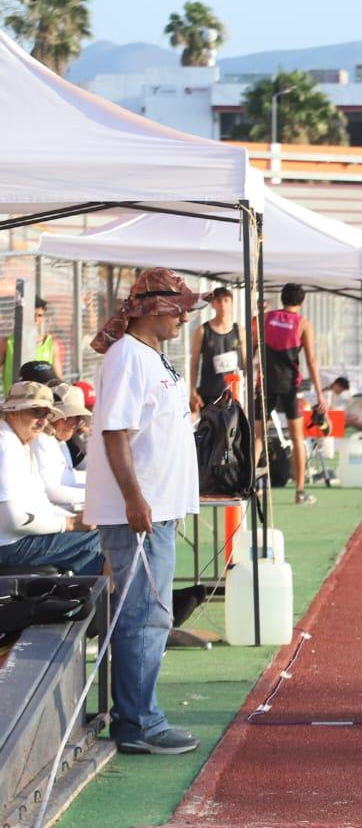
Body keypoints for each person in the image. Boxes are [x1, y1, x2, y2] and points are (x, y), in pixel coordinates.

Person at [85, 268, 203, 755]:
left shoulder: (152, 356)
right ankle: (138, 723)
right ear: (155, 307)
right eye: (181, 308)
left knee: (148, 615)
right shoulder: (130, 356)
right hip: (142, 512)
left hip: (155, 508)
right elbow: (116, 432)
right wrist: (134, 498)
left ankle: (139, 716)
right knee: (143, 617)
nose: (186, 318)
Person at [0, 381, 100, 574]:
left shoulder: (19, 443)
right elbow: (13, 520)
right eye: (35, 412)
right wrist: (69, 523)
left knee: (106, 536)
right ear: (12, 412)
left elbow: (41, 505)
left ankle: (97, 600)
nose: (42, 421)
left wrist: (75, 519)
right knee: (105, 542)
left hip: (17, 540)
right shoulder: (6, 447)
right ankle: (110, 603)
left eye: (46, 414)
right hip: (9, 546)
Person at [261, 283, 327, 505]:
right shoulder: (303, 324)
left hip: (266, 384)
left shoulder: (265, 318)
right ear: (302, 302)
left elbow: (253, 347)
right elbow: (311, 360)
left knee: (258, 437)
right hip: (290, 386)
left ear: (282, 299)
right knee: (297, 438)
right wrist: (320, 394)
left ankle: (249, 487)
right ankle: (299, 492)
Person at [34, 383, 90, 511]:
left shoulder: (59, 440)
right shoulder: (42, 440)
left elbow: (69, 477)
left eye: (77, 417)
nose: (73, 423)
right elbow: (50, 491)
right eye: (67, 417)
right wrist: (97, 494)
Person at [188, 286, 241, 412]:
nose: (222, 304)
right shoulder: (202, 330)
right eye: (218, 301)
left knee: (233, 430)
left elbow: (245, 363)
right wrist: (192, 390)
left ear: (232, 303)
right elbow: (194, 363)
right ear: (213, 304)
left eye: (226, 300)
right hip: (209, 393)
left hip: (234, 393)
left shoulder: (239, 331)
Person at [1, 298, 63, 390]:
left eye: (40, 315)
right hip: (14, 401)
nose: (36, 319)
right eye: (32, 315)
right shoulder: (7, 343)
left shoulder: (51, 344)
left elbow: (58, 379)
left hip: (42, 401)